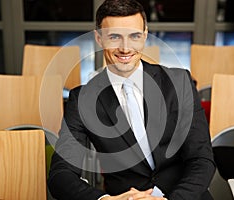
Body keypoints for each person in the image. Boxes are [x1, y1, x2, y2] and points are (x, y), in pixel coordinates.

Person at [48, 0, 216, 199]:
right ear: (99, 39)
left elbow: (202, 159)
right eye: (114, 37)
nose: (125, 48)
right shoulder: (82, 99)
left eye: (134, 36)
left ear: (144, 36)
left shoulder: (180, 82)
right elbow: (61, 174)